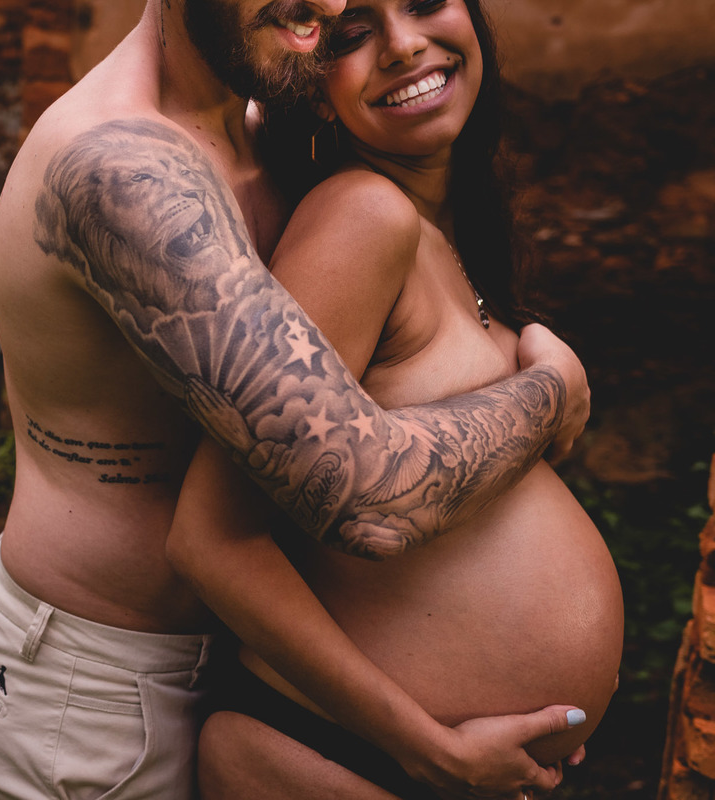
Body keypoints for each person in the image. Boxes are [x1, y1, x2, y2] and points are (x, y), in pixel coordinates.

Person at [0, 1, 594, 798]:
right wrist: (549, 393)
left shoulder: (261, 120)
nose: (326, 5)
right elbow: (357, 491)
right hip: (102, 677)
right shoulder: (122, 167)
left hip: (235, 663)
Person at [166, 0, 624, 797]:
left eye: (423, 3)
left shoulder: (448, 232)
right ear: (315, 92)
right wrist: (428, 749)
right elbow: (212, 540)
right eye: (352, 36)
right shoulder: (362, 217)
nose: (406, 45)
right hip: (343, 754)